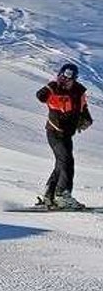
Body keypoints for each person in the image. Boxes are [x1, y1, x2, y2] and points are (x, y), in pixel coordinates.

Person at [37, 63, 93, 209]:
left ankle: (49, 195)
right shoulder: (54, 88)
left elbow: (83, 108)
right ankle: (62, 195)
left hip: (67, 134)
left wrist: (86, 119)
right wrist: (49, 88)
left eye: (68, 78)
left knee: (61, 163)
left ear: (74, 79)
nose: (64, 81)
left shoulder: (78, 91)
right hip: (55, 132)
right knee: (67, 162)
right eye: (62, 77)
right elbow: (41, 96)